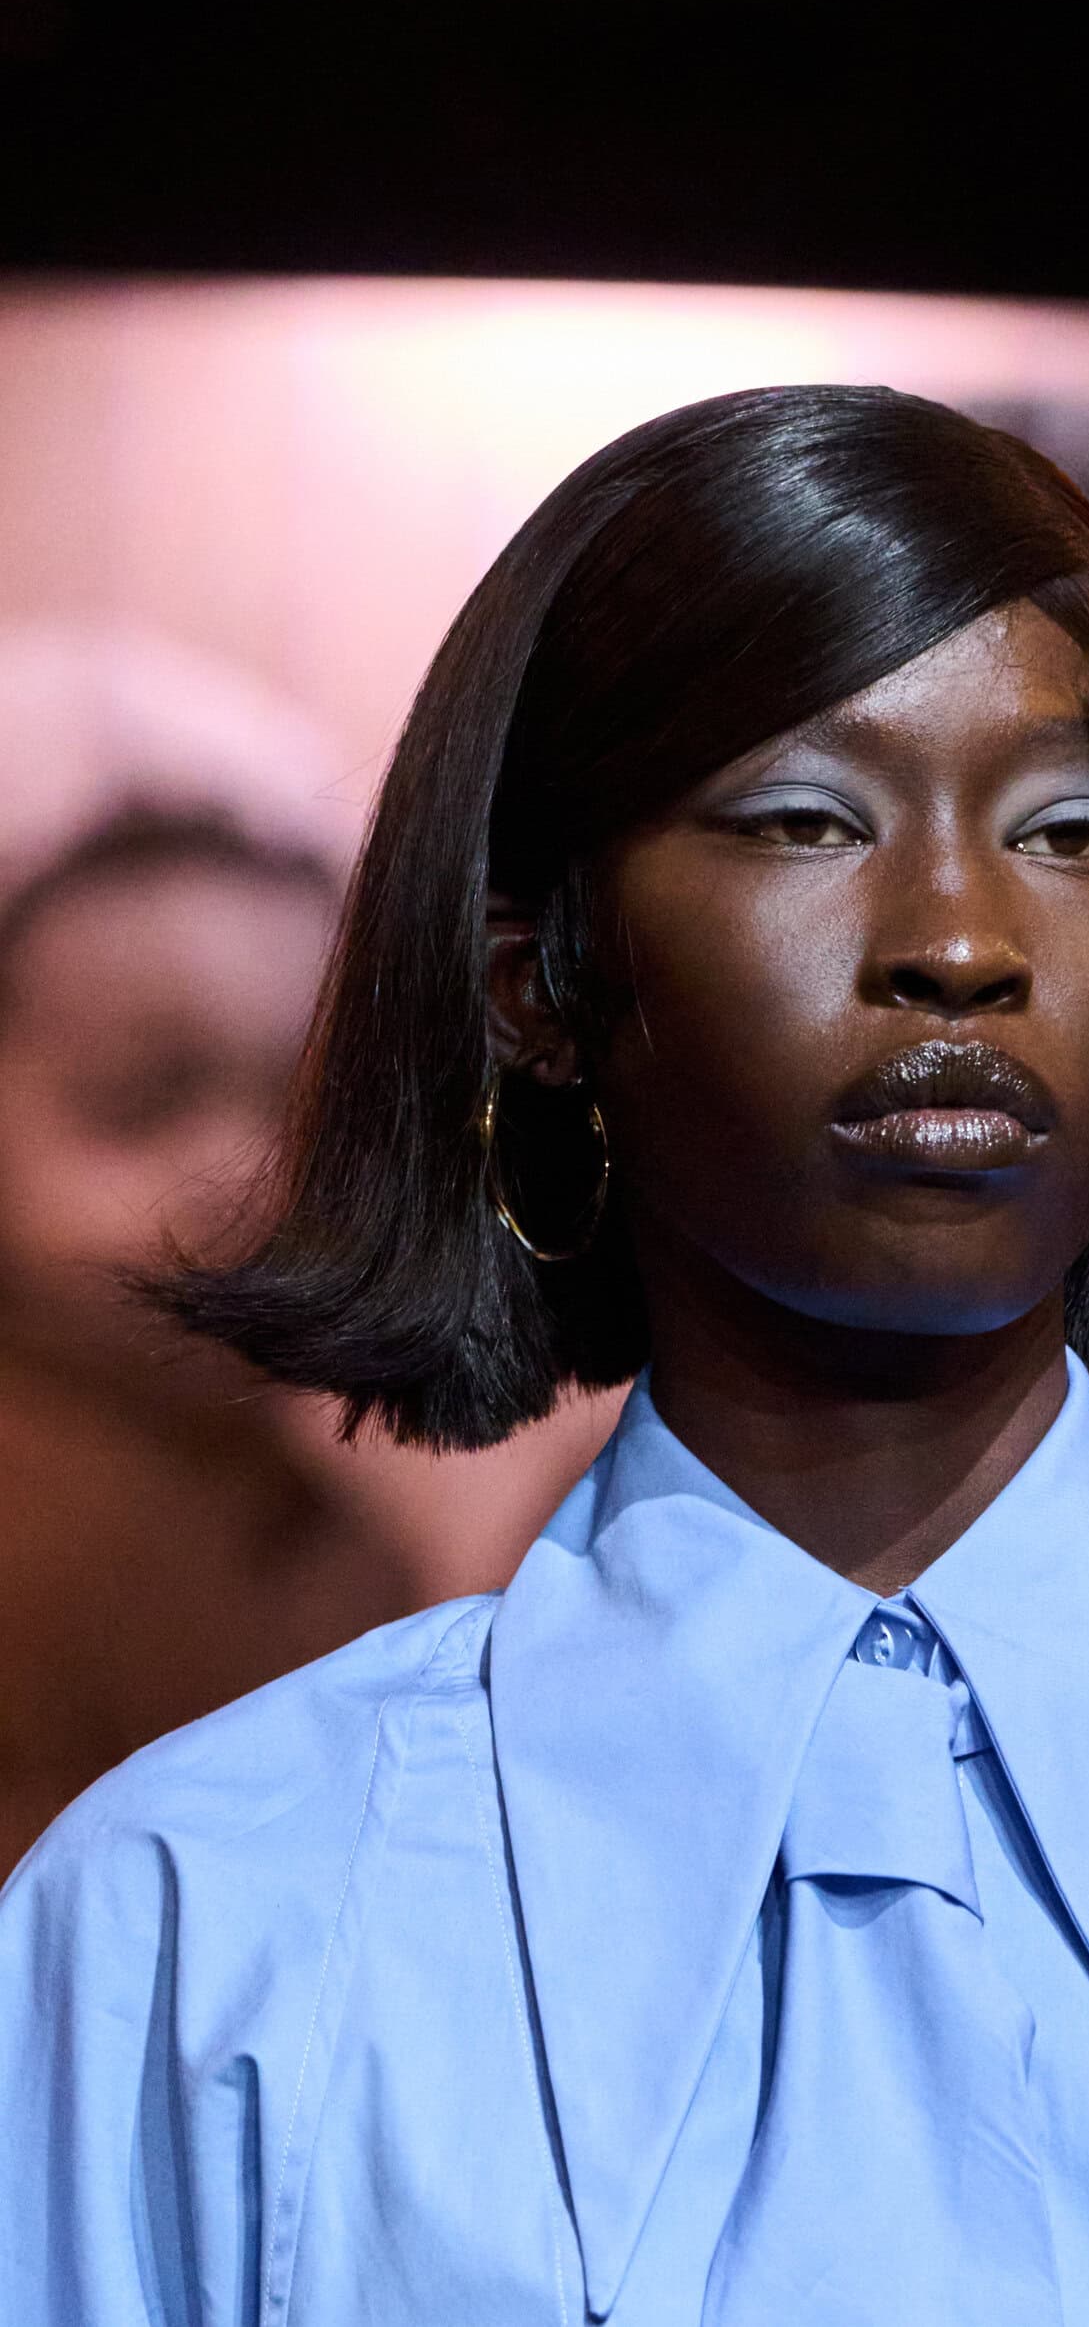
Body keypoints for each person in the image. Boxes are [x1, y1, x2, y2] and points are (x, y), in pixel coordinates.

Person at [1, 390, 1089, 2325]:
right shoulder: (181, 1940)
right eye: (808, 819)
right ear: (540, 981)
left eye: (1072, 829)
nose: (958, 941)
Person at [0, 628, 616, 1873]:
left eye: (305, 1104)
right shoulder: (40, 1508)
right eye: (139, 1098)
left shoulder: (300, 1455)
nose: (245, 1177)